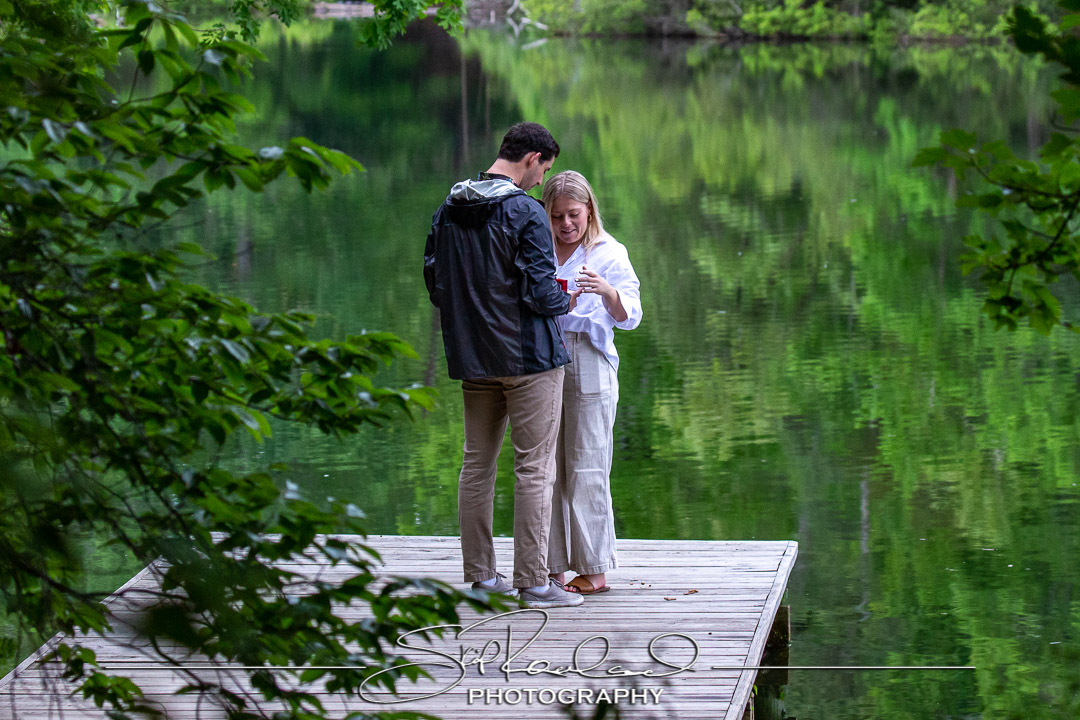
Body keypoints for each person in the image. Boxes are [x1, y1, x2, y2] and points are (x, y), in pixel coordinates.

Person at [423, 123, 584, 609]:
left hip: (475, 359)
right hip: (530, 359)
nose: (541, 182)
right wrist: (565, 294)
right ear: (532, 158)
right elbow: (540, 291)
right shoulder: (524, 212)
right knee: (534, 467)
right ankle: (534, 581)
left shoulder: (449, 208)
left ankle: (481, 577)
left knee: (477, 465)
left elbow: (436, 283)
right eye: (545, 170)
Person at [540, 170, 642, 595]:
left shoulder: (608, 252)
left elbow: (632, 316)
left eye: (574, 215)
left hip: (588, 357)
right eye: (558, 215)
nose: (566, 224)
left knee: (586, 464)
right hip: (544, 356)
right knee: (546, 468)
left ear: (590, 211)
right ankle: (552, 565)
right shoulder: (537, 249)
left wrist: (606, 292)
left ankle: (595, 567)